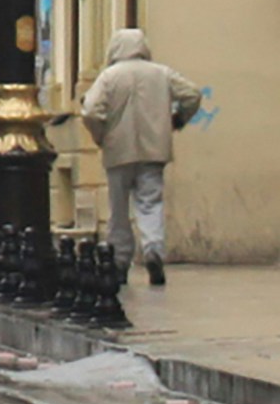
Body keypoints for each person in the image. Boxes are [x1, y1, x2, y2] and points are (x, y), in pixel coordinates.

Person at [77, 30, 204, 288]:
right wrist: (177, 119)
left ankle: (120, 260)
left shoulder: (109, 77)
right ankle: (153, 250)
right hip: (153, 150)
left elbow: (90, 110)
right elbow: (192, 94)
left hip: (118, 151)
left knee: (119, 209)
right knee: (150, 203)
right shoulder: (161, 73)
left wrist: (100, 135)